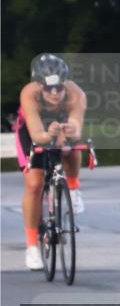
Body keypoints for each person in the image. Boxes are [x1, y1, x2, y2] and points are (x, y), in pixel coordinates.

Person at [14, 54, 87, 271]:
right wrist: (49, 134)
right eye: (48, 89)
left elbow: (77, 128)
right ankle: (31, 247)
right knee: (34, 184)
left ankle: (72, 188)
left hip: (61, 125)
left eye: (59, 88)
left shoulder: (76, 95)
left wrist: (70, 131)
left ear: (66, 84)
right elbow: (37, 135)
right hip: (32, 130)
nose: (54, 93)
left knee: (73, 147)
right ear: (39, 86)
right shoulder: (29, 94)